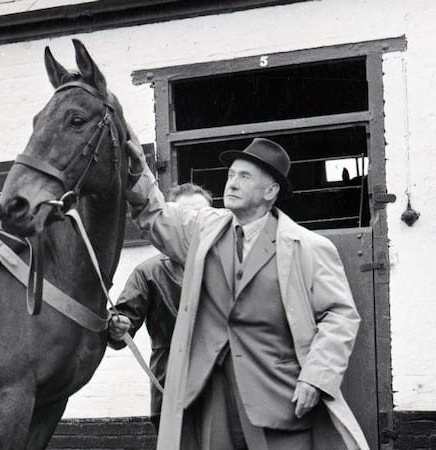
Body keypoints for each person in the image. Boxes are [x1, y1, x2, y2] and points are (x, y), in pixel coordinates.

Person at [123, 136, 369, 450]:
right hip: (211, 395)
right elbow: (154, 214)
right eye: (230, 175)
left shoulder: (308, 247)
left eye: (245, 176)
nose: (232, 183)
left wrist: (316, 377)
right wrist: (136, 171)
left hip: (280, 397)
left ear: (271, 191)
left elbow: (340, 316)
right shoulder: (203, 228)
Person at [107, 183, 213, 432]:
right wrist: (116, 325)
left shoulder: (232, 260)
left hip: (225, 387)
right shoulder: (149, 272)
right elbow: (121, 330)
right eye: (186, 215)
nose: (194, 222)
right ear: (170, 218)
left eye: (203, 215)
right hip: (172, 385)